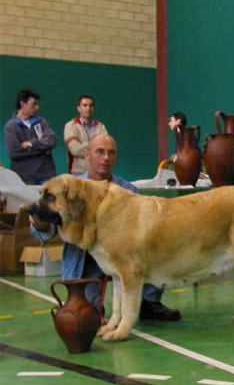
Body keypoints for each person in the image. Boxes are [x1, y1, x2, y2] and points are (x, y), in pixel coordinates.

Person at [30, 134, 181, 321]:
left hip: (123, 254)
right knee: (86, 315)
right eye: (100, 152)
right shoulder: (69, 188)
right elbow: (45, 232)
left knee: (150, 246)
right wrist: (40, 223)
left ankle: (148, 301)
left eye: (111, 153)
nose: (106, 158)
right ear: (87, 155)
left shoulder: (128, 191)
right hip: (85, 260)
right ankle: (88, 303)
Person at [4, 89, 57, 185]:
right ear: (23, 104)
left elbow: (52, 141)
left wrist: (31, 143)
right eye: (34, 104)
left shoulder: (42, 122)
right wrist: (42, 147)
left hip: (46, 176)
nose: (37, 107)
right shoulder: (11, 126)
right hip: (24, 178)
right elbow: (14, 152)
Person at [64, 95, 108, 175]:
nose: (88, 108)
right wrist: (96, 146)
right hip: (77, 173)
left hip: (97, 172)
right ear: (78, 108)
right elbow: (75, 150)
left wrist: (84, 145)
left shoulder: (100, 126)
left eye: (91, 106)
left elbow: (106, 148)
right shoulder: (71, 125)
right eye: (85, 105)